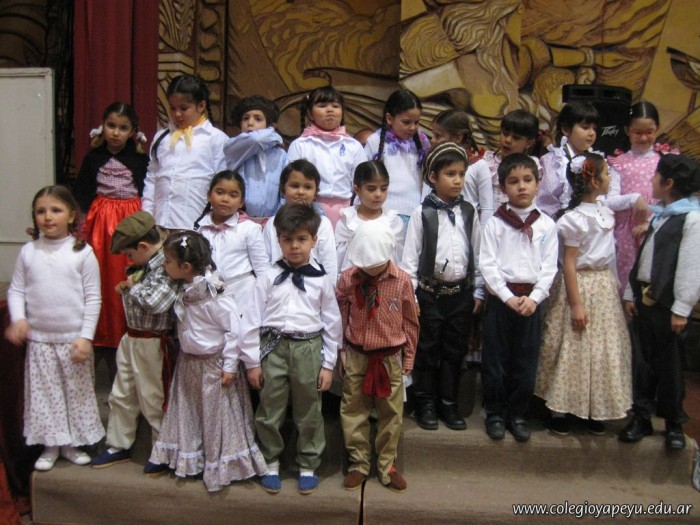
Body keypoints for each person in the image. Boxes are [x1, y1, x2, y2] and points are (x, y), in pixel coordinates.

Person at [148, 231, 267, 492]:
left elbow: (233, 329)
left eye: (167, 261)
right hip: (189, 363)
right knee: (190, 412)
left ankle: (218, 462)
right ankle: (191, 458)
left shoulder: (214, 295)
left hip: (213, 365)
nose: (164, 265)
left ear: (185, 267)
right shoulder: (184, 287)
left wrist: (229, 366)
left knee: (216, 416)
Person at [242, 203, 342, 495]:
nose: (294, 246)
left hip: (308, 349)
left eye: (301, 239)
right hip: (272, 347)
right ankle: (270, 460)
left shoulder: (322, 280)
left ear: (314, 240)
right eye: (287, 239)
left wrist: (328, 365)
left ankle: (308, 463)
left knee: (309, 409)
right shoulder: (267, 276)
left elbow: (332, 324)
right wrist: (252, 362)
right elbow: (251, 318)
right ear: (278, 240)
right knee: (269, 407)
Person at [5, 186, 104, 471]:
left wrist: (86, 337)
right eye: (41, 211)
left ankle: (70, 445)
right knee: (46, 398)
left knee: (75, 394)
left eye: (56, 210)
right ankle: (50, 445)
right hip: (40, 342)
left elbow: (93, 298)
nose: (48, 217)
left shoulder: (82, 253)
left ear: (72, 216)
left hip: (73, 341)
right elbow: (16, 290)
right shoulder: (29, 252)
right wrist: (18, 318)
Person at [535, 153, 632, 436]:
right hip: (579, 284)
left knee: (601, 348)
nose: (610, 178)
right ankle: (561, 409)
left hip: (603, 287)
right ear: (594, 181)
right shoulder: (574, 220)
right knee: (571, 345)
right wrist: (576, 304)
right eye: (606, 174)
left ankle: (594, 407)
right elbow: (569, 263)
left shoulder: (605, 212)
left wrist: (616, 286)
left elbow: (610, 254)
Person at [401, 142, 484, 431]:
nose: (457, 180)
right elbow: (410, 259)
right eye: (450, 174)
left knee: (454, 350)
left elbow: (478, 251)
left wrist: (478, 290)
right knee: (427, 349)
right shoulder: (421, 213)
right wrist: (412, 297)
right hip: (430, 295)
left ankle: (448, 403)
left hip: (460, 295)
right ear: (433, 177)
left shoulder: (469, 211)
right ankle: (425, 403)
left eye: (461, 174)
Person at [619, 154, 700, 450]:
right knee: (643, 363)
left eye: (656, 176)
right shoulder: (662, 214)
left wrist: (681, 308)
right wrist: (631, 293)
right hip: (645, 300)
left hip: (668, 306)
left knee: (670, 366)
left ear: (669, 183)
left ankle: (673, 423)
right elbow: (644, 258)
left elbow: (692, 266)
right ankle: (641, 416)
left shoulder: (691, 218)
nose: (651, 180)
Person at [89, 211, 179, 473]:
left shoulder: (167, 266)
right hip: (132, 337)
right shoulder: (143, 266)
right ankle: (118, 443)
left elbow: (157, 303)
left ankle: (162, 450)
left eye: (129, 254)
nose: (128, 260)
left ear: (143, 246)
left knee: (153, 397)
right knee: (122, 393)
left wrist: (132, 287)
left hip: (152, 341)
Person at [479, 153, 558, 442]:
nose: (521, 186)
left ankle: (518, 414)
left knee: (525, 361)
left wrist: (535, 298)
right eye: (513, 181)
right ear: (503, 188)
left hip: (531, 303)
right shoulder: (495, 224)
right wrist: (506, 296)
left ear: (538, 184)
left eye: (527, 180)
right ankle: (495, 414)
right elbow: (487, 264)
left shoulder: (546, 225)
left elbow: (549, 267)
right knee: (495, 361)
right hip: (501, 302)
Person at [336, 221, 419, 493]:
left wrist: (409, 356)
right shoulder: (348, 278)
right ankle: (358, 463)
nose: (369, 270)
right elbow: (340, 316)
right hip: (357, 354)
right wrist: (341, 350)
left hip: (389, 357)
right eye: (365, 265)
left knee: (391, 412)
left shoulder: (402, 281)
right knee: (353, 409)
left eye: (375, 264)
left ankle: (387, 465)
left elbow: (410, 321)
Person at [73, 102, 149, 376]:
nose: (116, 133)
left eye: (123, 128)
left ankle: (125, 329)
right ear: (102, 127)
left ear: (133, 132)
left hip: (130, 218)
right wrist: (78, 228)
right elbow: (81, 194)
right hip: (100, 220)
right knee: (101, 274)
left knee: (126, 272)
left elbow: (148, 190)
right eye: (111, 126)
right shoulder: (93, 157)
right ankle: (100, 330)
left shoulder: (140, 160)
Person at [142, 74, 228, 230]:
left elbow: (222, 183)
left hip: (195, 222)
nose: (177, 114)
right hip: (159, 221)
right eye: (173, 108)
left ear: (201, 106)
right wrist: (147, 214)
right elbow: (152, 177)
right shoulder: (161, 137)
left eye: (184, 108)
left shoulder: (216, 139)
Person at [608, 101, 674, 294]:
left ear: (657, 129)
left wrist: (652, 223)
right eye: (637, 132)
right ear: (627, 130)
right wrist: (633, 198)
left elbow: (673, 201)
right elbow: (609, 201)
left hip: (657, 230)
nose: (644, 137)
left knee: (652, 285)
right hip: (625, 234)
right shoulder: (619, 163)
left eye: (649, 132)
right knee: (625, 284)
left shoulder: (665, 161)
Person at [287, 86, 367, 226]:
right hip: (309, 210)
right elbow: (290, 182)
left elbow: (362, 183)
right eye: (322, 106)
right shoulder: (300, 145)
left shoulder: (353, 146)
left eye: (335, 106)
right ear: (310, 114)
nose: (330, 110)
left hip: (347, 212)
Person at [193, 170, 269, 296]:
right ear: (209, 195)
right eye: (219, 193)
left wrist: (265, 296)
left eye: (233, 195)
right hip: (208, 296)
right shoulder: (198, 229)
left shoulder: (249, 229)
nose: (225, 199)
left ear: (241, 202)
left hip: (244, 294)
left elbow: (262, 268)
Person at [262, 159, 338, 283]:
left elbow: (329, 264)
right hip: (277, 286)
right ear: (283, 189)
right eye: (295, 186)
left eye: (307, 187)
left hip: (314, 286)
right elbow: (264, 261)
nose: (301, 192)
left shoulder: (323, 224)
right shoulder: (272, 224)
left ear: (315, 192)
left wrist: (328, 290)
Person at [365, 89, 432, 223]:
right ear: (389, 118)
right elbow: (363, 178)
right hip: (383, 214)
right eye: (406, 122)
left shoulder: (422, 142)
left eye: (417, 122)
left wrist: (424, 208)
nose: (412, 127)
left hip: (415, 213)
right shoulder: (375, 141)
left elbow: (427, 180)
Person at [223, 95, 286, 224]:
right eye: (245, 118)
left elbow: (285, 189)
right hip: (240, 221)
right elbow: (256, 140)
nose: (250, 123)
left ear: (270, 125)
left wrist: (279, 220)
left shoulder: (280, 154)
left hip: (273, 222)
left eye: (258, 119)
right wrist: (273, 135)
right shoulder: (234, 148)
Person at [335, 160, 405, 272]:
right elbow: (339, 260)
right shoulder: (347, 222)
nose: (378, 194)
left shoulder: (394, 222)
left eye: (383, 189)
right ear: (357, 189)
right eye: (371, 189)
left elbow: (399, 259)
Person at [430, 109, 493, 227]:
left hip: (468, 228)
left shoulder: (479, 165)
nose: (432, 140)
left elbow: (487, 208)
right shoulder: (434, 163)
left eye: (438, 136)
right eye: (432, 134)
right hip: (438, 227)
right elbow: (426, 200)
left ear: (458, 138)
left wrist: (482, 236)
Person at [537, 102, 599, 218]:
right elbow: (546, 202)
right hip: (560, 223)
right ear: (566, 129)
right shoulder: (552, 161)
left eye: (594, 128)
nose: (591, 133)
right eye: (585, 127)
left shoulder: (598, 161)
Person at [481, 109, 542, 215]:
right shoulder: (486, 163)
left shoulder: (534, 166)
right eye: (505, 134)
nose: (508, 140)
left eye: (516, 137)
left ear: (529, 143)